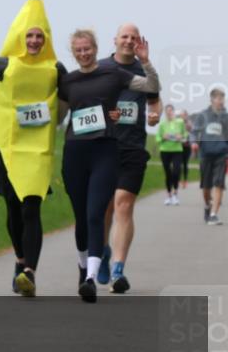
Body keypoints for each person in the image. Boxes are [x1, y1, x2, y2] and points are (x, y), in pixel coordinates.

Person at [0, 0, 67, 297]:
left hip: (37, 148)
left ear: (46, 39)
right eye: (29, 35)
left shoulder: (55, 69)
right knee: (12, 208)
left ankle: (30, 273)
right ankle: (20, 260)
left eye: (39, 36)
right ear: (20, 38)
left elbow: (77, 93)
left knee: (31, 207)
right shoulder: (5, 64)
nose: (34, 41)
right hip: (6, 148)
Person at [59, 29, 159, 303]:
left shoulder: (120, 73)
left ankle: (106, 273)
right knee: (91, 214)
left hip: (118, 148)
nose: (83, 53)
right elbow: (62, 113)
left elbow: (152, 91)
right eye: (78, 50)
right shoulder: (78, 77)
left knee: (111, 207)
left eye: (87, 49)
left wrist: (154, 110)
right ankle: (93, 257)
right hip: (82, 150)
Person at [98, 24, 162, 293]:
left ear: (139, 42)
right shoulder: (101, 68)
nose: (128, 41)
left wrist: (155, 113)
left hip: (133, 147)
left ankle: (118, 269)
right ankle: (101, 251)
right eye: (124, 36)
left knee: (123, 205)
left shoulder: (143, 71)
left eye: (133, 37)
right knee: (105, 208)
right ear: (115, 40)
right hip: (103, 146)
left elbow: (155, 97)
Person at [191, 88, 228, 225]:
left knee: (219, 183)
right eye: (218, 99)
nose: (221, 102)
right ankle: (207, 205)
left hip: (221, 153)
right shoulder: (203, 115)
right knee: (206, 186)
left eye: (222, 99)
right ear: (212, 100)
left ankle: (213, 214)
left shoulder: (225, 116)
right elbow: (194, 131)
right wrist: (194, 142)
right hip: (206, 154)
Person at [157, 104, 188, 205]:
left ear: (174, 112)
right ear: (165, 113)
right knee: (168, 173)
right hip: (165, 150)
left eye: (171, 110)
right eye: (167, 111)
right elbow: (157, 138)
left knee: (176, 171)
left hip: (177, 150)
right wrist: (163, 138)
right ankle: (169, 196)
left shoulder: (180, 122)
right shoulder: (162, 124)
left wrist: (181, 137)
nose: (169, 112)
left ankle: (175, 194)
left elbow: (185, 135)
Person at [181, 109, 194, 189]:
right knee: (178, 164)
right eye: (182, 115)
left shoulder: (189, 123)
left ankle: (185, 181)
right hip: (179, 146)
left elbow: (191, 131)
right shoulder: (177, 122)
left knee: (185, 164)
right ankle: (178, 180)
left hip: (187, 146)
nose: (183, 116)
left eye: (184, 115)